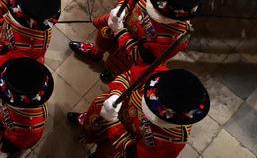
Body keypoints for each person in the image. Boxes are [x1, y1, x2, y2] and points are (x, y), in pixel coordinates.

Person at [69, 0, 200, 82]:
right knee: (104, 34)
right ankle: (95, 52)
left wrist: (120, 31)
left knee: (119, 64)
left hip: (129, 48)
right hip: (122, 20)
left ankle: (112, 73)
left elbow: (141, 58)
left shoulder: (174, 38)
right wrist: (123, 6)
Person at [68, 67, 210, 158]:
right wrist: (116, 95)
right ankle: (87, 128)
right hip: (116, 110)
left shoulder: (172, 141)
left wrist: (113, 123)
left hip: (118, 144)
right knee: (96, 112)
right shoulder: (159, 76)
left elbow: (132, 154)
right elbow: (129, 76)